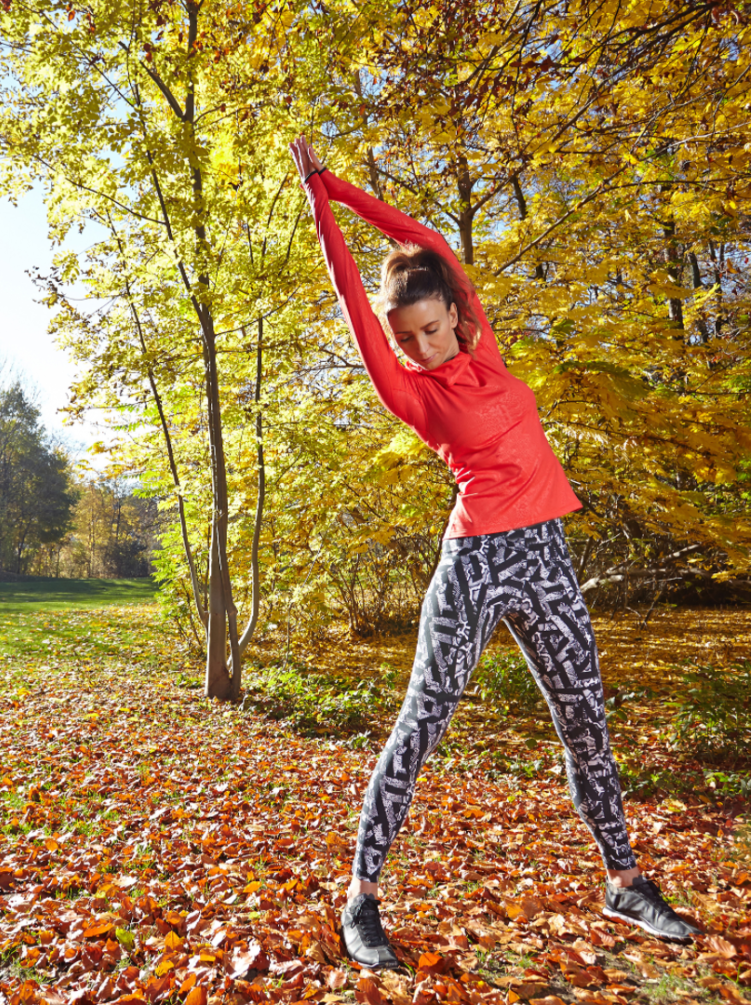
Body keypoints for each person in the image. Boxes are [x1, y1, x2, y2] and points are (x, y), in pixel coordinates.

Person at [288, 136, 701, 969]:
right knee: (422, 721)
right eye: (407, 339)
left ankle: (623, 881)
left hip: (544, 552)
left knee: (585, 716)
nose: (422, 348)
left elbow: (430, 241)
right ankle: (360, 899)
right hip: (475, 559)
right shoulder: (411, 389)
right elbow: (349, 296)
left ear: (455, 314)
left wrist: (346, 185)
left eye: (432, 329)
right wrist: (318, 206)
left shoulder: (489, 356)